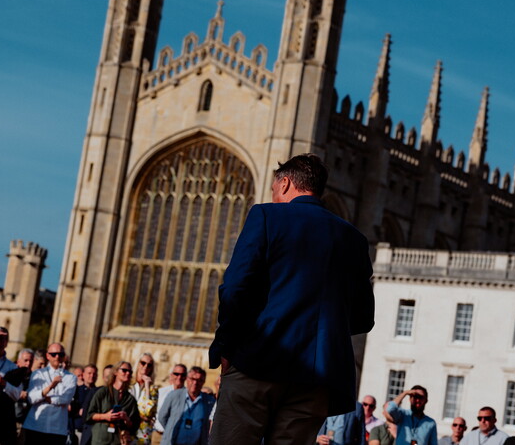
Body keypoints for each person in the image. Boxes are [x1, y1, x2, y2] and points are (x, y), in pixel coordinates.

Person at [209, 154, 375, 445]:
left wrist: (225, 346)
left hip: (256, 361)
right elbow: (364, 316)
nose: (273, 197)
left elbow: (235, 288)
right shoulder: (354, 239)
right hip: (317, 378)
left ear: (285, 183)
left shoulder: (266, 216)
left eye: (274, 190)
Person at [22, 343, 77, 444]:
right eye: (54, 354)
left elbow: (65, 399)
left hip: (57, 429)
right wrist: (50, 387)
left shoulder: (71, 377)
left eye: (60, 354)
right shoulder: (38, 373)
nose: (57, 357)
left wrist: (47, 398)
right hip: (35, 425)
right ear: (48, 356)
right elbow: (31, 398)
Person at [85, 361, 141, 445]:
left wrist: (126, 418)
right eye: (124, 370)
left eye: (130, 371)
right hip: (100, 438)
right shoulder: (103, 392)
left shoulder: (130, 399)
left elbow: (135, 425)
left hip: (118, 440)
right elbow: (89, 415)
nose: (128, 373)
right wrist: (106, 416)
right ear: (115, 372)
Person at [157, 367, 215, 445]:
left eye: (199, 380)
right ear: (187, 379)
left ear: (203, 382)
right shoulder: (174, 395)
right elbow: (162, 416)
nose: (195, 383)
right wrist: (170, 429)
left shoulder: (209, 401)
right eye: (192, 379)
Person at [132, 353, 158, 444]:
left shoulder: (153, 389)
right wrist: (141, 416)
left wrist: (147, 386)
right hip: (126, 431)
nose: (146, 366)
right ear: (138, 364)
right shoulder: (128, 385)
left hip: (142, 434)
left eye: (149, 365)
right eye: (143, 363)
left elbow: (148, 411)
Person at [155, 364, 187, 435]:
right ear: (171, 375)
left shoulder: (188, 396)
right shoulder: (161, 392)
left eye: (182, 375)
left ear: (186, 377)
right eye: (176, 374)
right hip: (158, 434)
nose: (179, 377)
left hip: (175, 436)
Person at [72, 365, 99, 444]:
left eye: (94, 374)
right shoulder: (76, 390)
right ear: (83, 374)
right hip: (78, 430)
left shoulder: (99, 392)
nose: (92, 376)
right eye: (89, 373)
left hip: (92, 432)